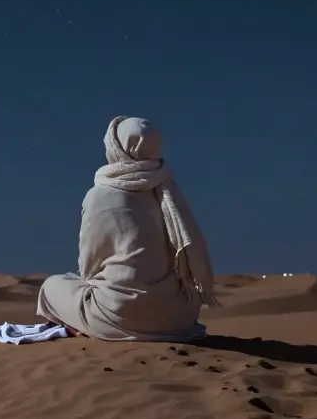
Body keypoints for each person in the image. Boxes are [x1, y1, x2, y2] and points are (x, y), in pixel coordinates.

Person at [36, 116, 218, 341]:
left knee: (51, 287)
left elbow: (90, 265)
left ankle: (89, 327)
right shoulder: (169, 191)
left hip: (124, 315)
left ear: (117, 148)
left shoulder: (101, 195)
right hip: (180, 317)